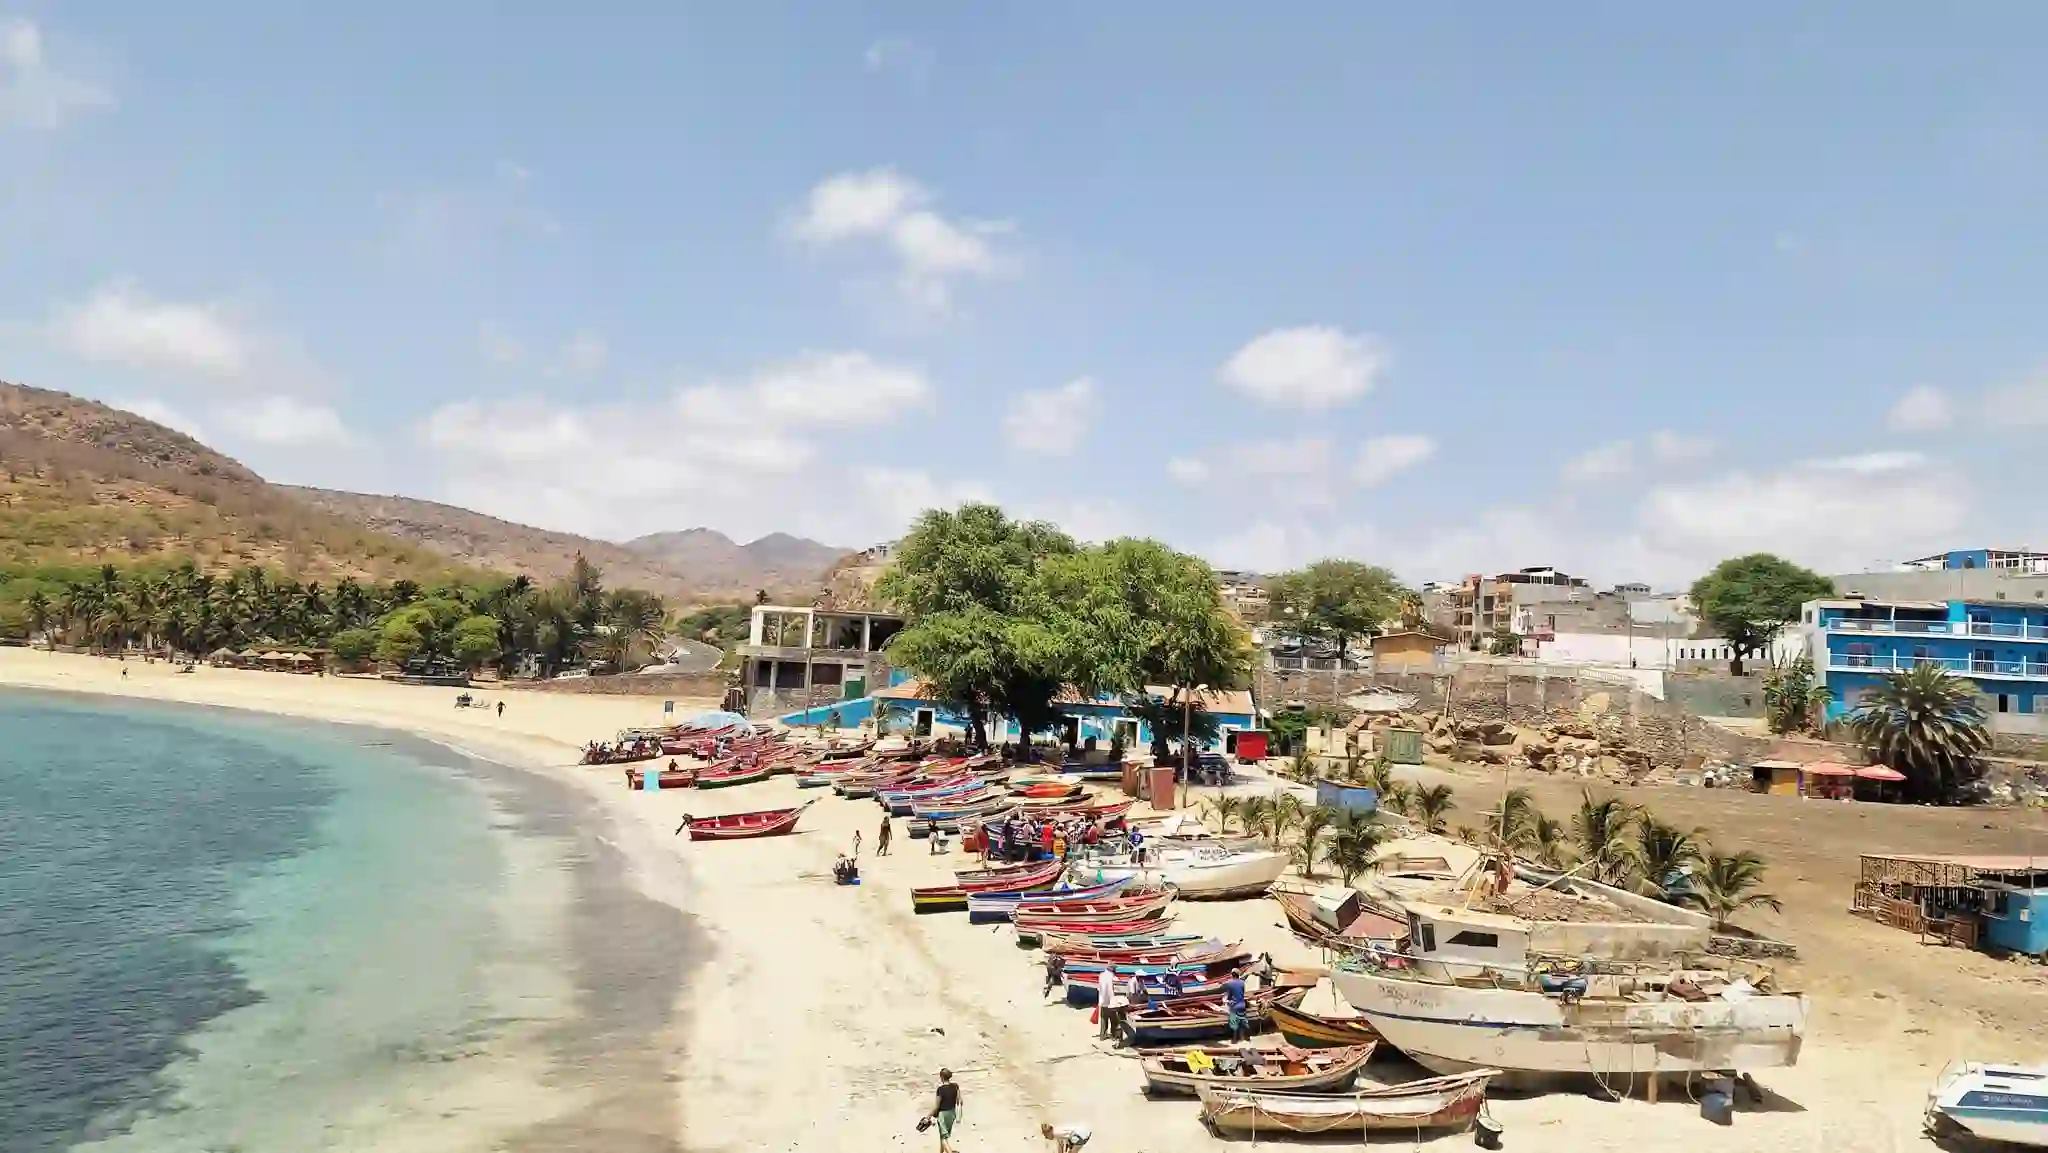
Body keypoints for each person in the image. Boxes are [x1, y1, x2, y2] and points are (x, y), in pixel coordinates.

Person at [924, 1069, 962, 1153]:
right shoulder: (955, 1086)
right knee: (943, 1136)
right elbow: (959, 1101)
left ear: (941, 1077)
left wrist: (928, 1117)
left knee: (944, 1138)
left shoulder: (940, 1090)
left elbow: (937, 1106)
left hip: (943, 1115)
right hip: (952, 1113)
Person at [1222, 967, 1250, 1042]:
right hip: (1242, 1005)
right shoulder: (1242, 983)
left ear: (1232, 974)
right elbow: (1242, 994)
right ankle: (1242, 1038)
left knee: (1234, 1024)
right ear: (1238, 975)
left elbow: (1229, 995)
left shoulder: (1230, 983)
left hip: (1234, 1006)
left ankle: (1234, 1039)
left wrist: (1226, 999)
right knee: (1241, 1022)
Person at [1095, 968, 1119, 1039]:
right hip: (1111, 1002)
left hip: (1102, 1001)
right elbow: (1113, 990)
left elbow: (1098, 988)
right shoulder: (1113, 977)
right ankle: (1113, 1035)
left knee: (1103, 1019)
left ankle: (1102, 1035)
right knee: (1114, 1020)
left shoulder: (1101, 975)